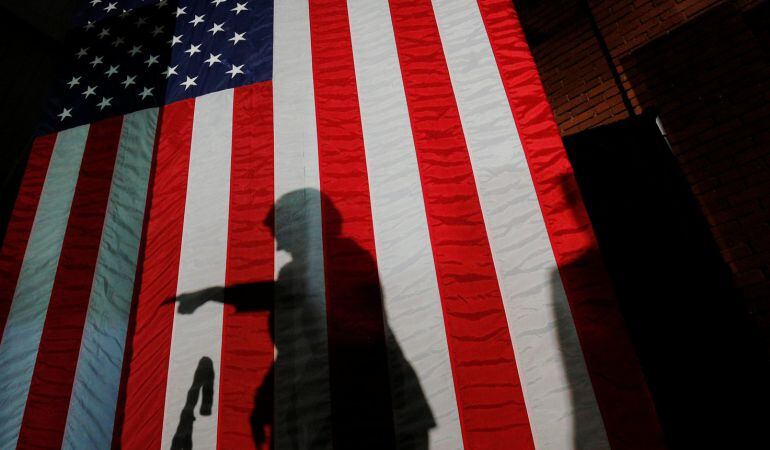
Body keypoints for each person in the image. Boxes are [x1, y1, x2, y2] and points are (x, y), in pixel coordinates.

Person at [173, 189, 434, 449]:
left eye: (282, 233)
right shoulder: (322, 265)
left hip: (366, 402)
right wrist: (266, 401)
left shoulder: (339, 258)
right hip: (352, 400)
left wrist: (211, 294)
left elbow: (286, 295)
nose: (279, 245)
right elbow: (291, 351)